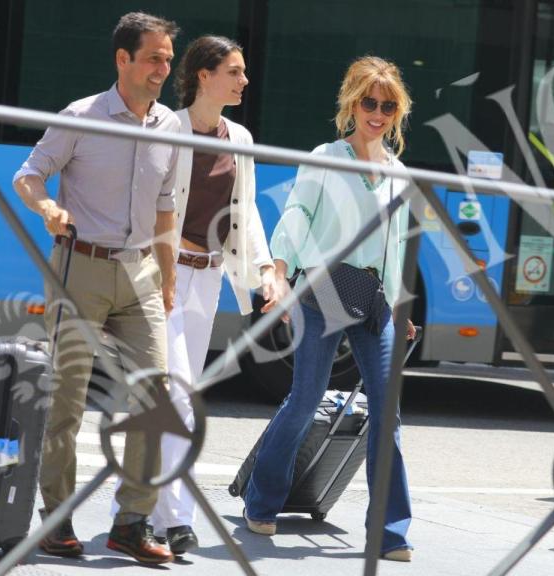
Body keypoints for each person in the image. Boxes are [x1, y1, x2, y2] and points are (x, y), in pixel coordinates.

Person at [12, 12, 181, 565]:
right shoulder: (81, 116)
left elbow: (164, 208)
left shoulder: (170, 127)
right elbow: (28, 174)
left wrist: (169, 277)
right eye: (154, 57)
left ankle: (131, 522)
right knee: (66, 399)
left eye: (168, 59)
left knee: (156, 396)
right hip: (78, 267)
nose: (163, 68)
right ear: (123, 60)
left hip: (140, 275)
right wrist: (48, 208)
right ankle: (56, 519)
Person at [109, 35, 286, 555]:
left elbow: (245, 211)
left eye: (243, 70)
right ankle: (176, 520)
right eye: (234, 70)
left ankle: (139, 506)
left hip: (208, 278)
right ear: (204, 76)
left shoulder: (241, 137)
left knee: (177, 398)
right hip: (161, 275)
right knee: (178, 397)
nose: (244, 80)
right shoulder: (167, 127)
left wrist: (265, 273)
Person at [242, 56, 418, 562]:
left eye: (387, 105)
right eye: (369, 102)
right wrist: (277, 273)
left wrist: (400, 307)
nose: (377, 113)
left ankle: (389, 531)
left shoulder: (398, 173)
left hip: (373, 301)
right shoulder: (327, 155)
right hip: (322, 291)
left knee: (389, 412)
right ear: (352, 103)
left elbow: (398, 246)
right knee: (305, 398)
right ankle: (263, 498)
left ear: (396, 112)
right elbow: (297, 215)